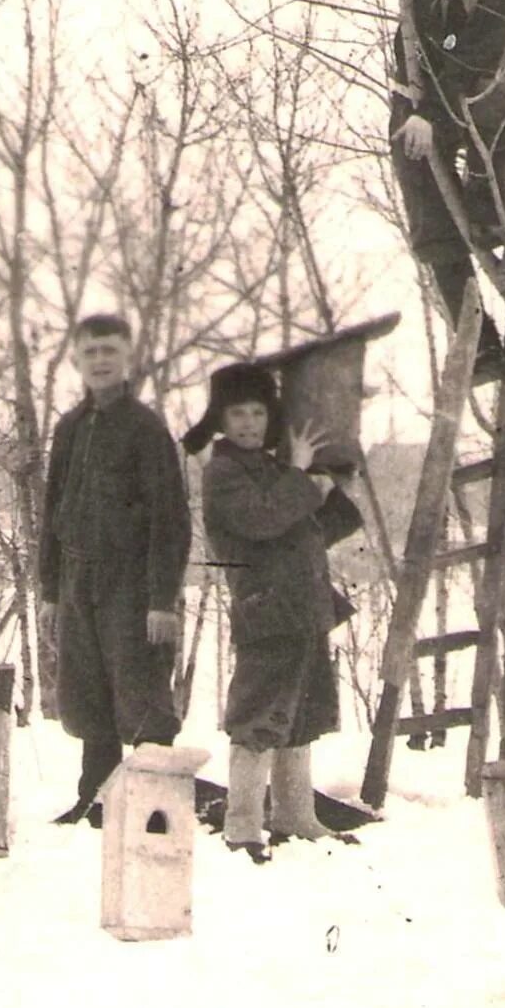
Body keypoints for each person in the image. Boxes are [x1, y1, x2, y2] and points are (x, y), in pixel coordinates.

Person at [184, 365, 362, 862]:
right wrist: (301, 476)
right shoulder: (223, 471)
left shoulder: (266, 468)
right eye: (237, 413)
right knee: (258, 717)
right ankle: (242, 828)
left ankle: (295, 816)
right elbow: (262, 521)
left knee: (301, 716)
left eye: (258, 412)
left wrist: (334, 489)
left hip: (303, 607)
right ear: (220, 419)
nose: (247, 423)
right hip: (267, 609)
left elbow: (305, 533)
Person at [38, 314, 191, 827]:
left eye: (110, 350)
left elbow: (170, 519)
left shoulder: (145, 429)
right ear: (76, 360)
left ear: (128, 356)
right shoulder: (69, 429)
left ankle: (152, 808)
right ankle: (97, 800)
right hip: (78, 579)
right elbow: (52, 513)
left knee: (141, 691)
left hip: (132, 583)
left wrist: (161, 599)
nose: (100, 361)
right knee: (87, 692)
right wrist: (50, 591)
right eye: (90, 352)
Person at [388, 0, 505, 385]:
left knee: (490, 144)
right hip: (412, 108)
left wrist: (431, 117)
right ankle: (478, 341)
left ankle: (486, 205)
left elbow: (468, 67)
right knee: (431, 226)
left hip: (467, 110)